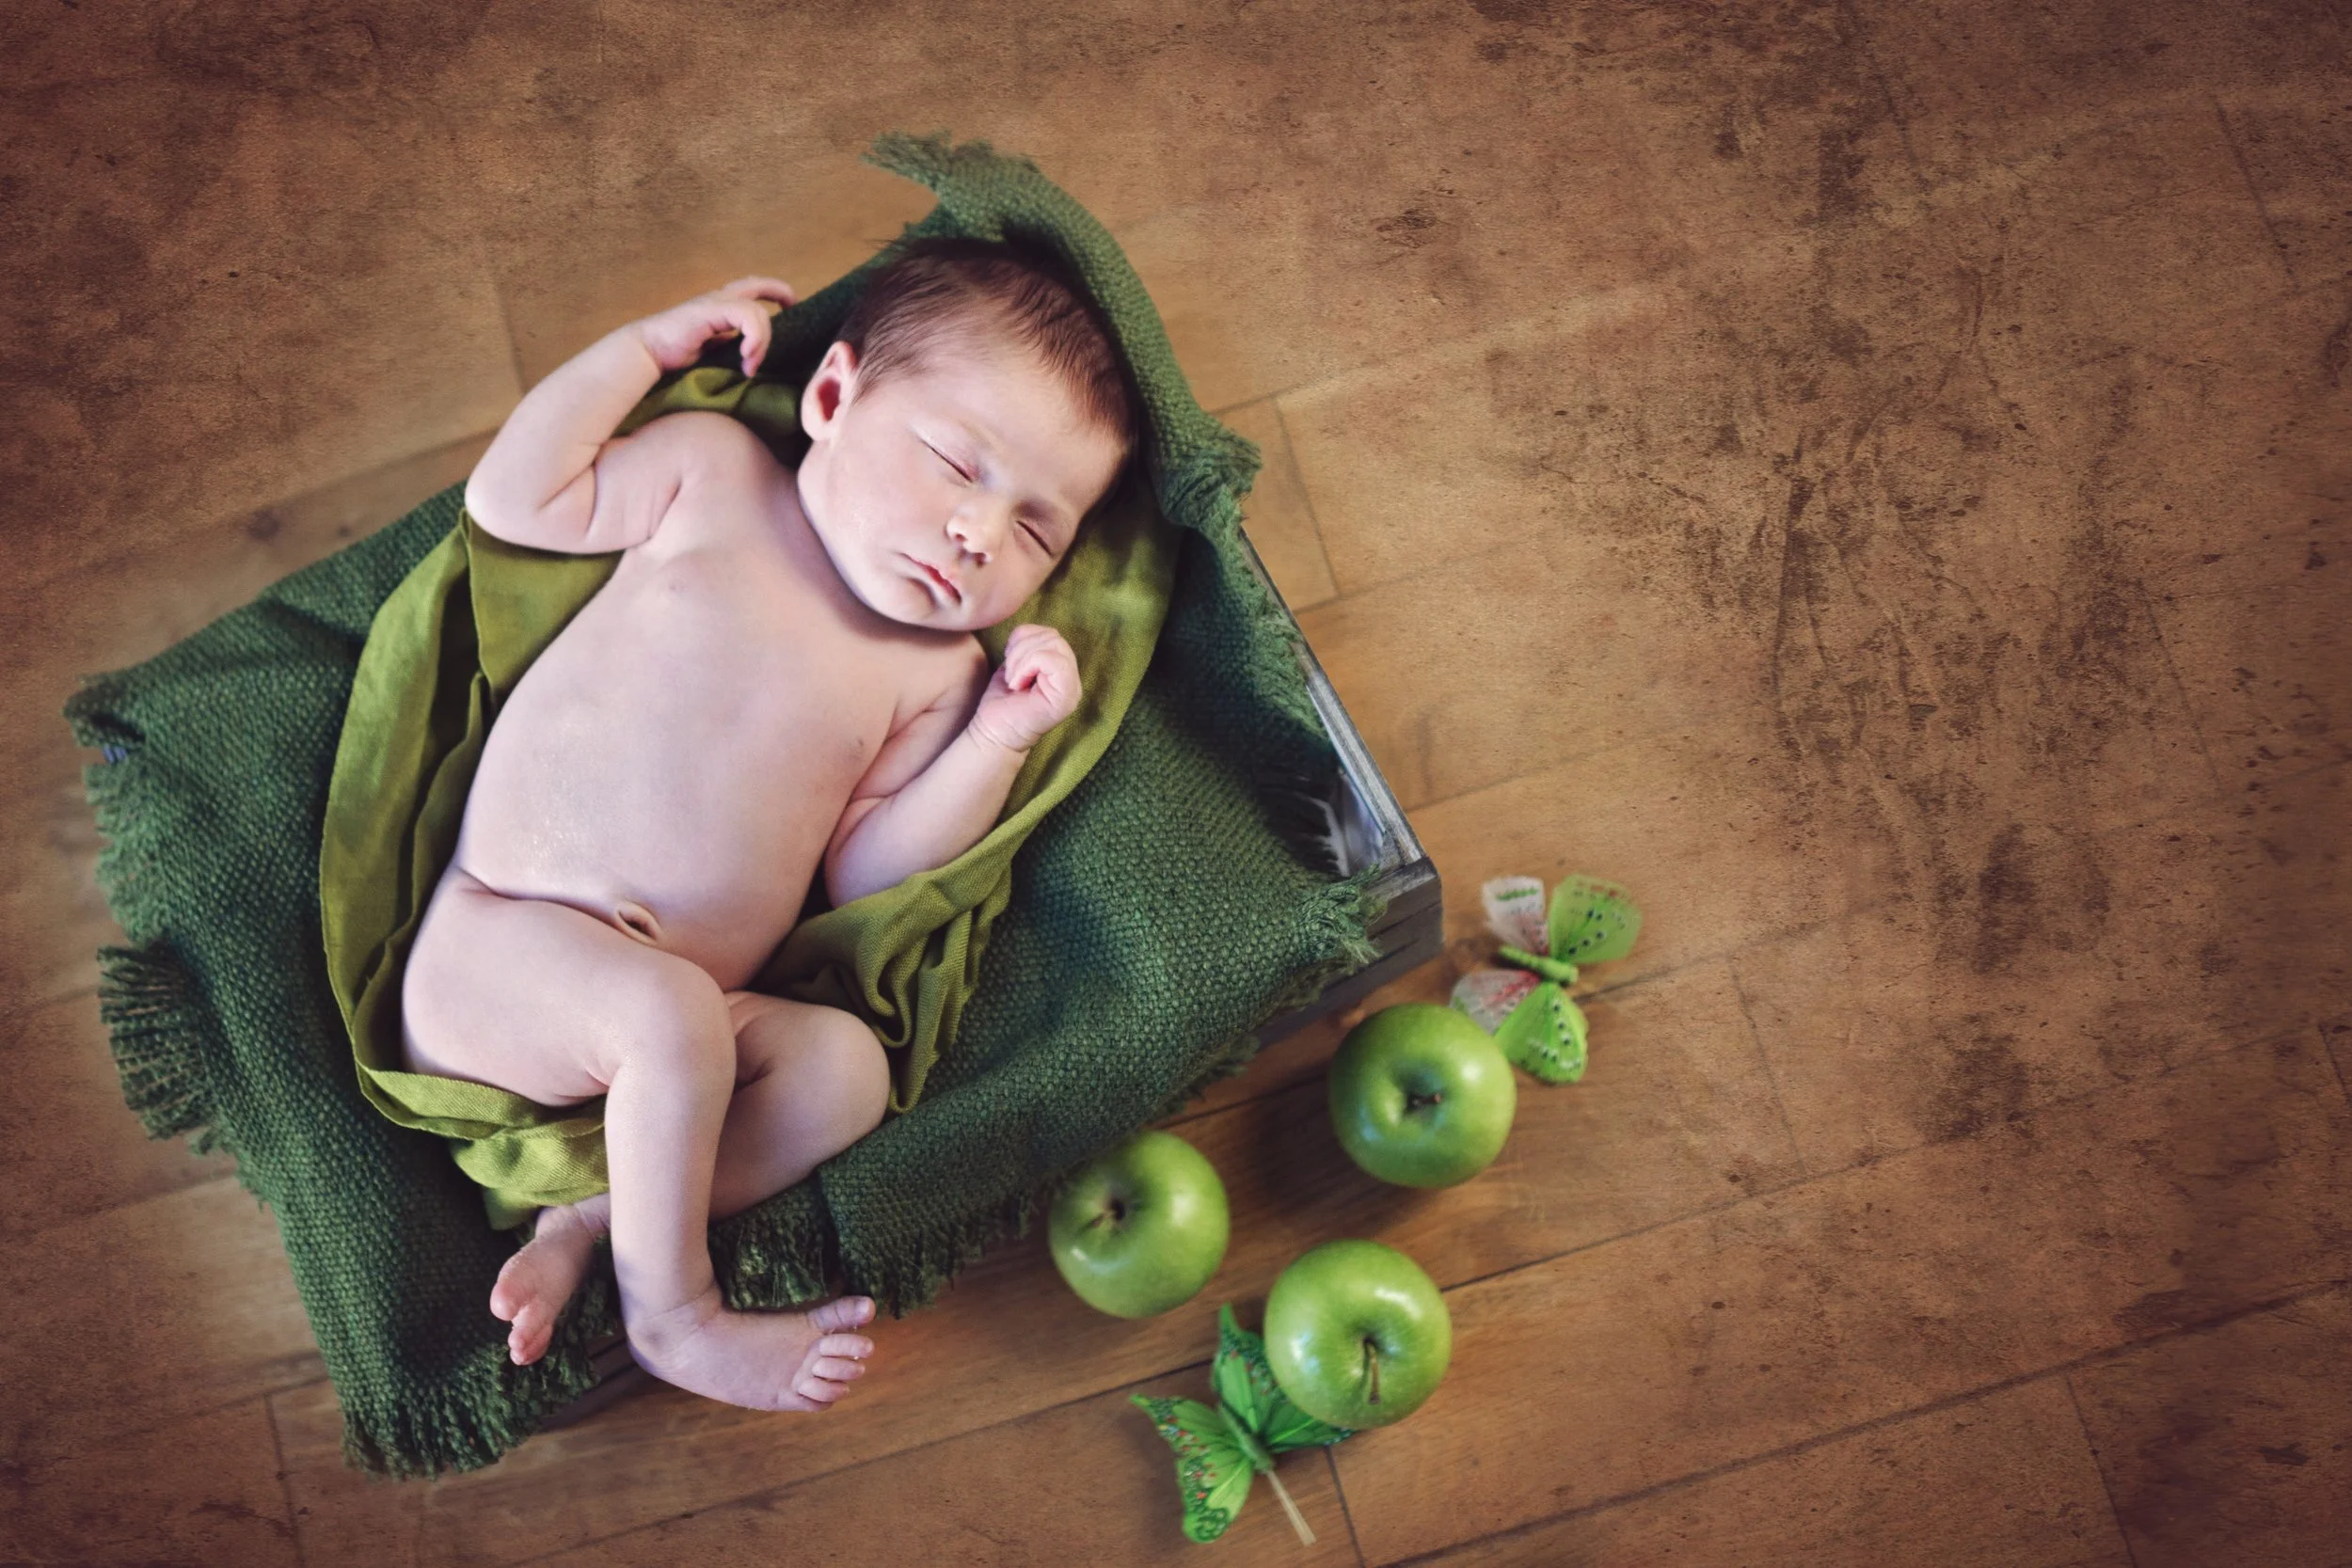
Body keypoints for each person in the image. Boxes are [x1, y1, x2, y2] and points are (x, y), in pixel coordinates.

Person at [397, 239, 1136, 1412]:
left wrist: (998, 735)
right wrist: (640, 350)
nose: (979, 535)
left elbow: (867, 866)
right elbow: (515, 496)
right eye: (956, 464)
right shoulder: (710, 476)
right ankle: (675, 1313)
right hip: (499, 953)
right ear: (833, 397)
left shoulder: (934, 674)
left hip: (680, 1027)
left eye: (1038, 532)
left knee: (845, 1070)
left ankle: (596, 1215)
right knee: (667, 1012)